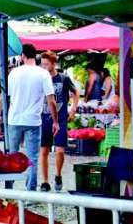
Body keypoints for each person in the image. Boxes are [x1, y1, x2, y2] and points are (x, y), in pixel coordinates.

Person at [5, 44, 58, 191]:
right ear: (36, 56)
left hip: (14, 119)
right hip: (33, 121)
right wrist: (55, 121)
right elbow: (51, 101)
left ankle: (9, 190)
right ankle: (30, 192)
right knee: (32, 157)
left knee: (11, 156)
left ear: (22, 56)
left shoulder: (13, 73)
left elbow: (6, 97)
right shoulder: (43, 74)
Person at [39, 51, 79, 192]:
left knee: (60, 150)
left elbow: (75, 93)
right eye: (42, 64)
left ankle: (58, 174)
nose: (43, 67)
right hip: (44, 118)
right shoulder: (40, 79)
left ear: (53, 63)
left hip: (61, 118)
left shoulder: (63, 78)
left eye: (46, 64)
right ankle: (44, 181)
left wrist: (73, 108)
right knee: (43, 150)